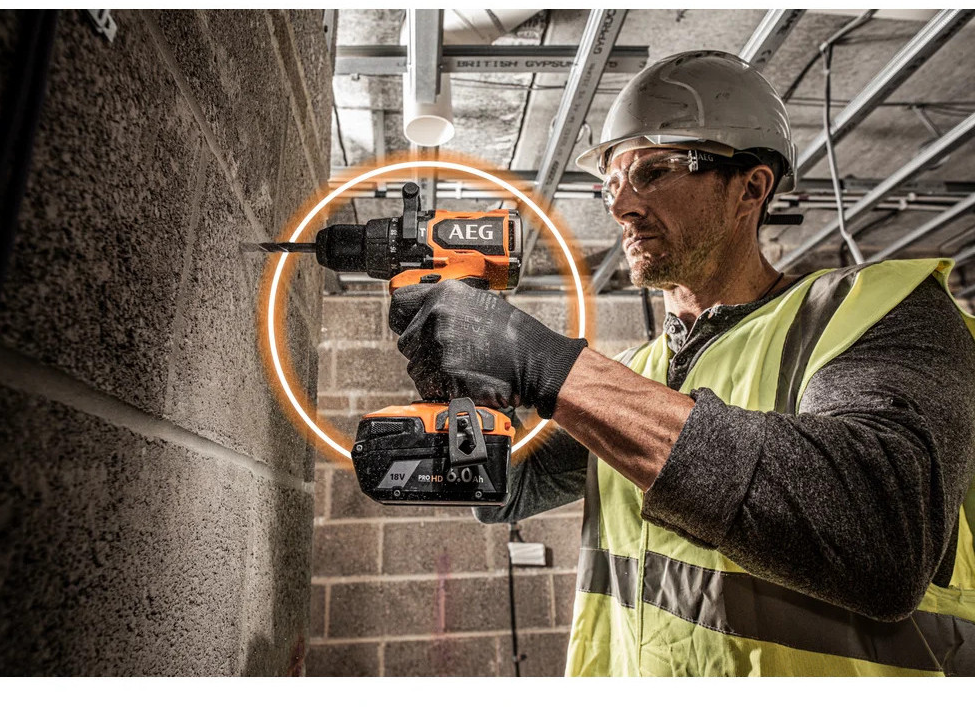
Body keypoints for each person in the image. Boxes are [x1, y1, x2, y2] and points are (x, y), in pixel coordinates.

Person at [387, 50, 975, 676]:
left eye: (655, 171)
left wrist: (549, 365)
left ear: (751, 187)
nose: (621, 206)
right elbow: (508, 489)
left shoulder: (873, 312)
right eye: (612, 183)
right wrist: (468, 393)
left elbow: (881, 537)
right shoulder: (638, 370)